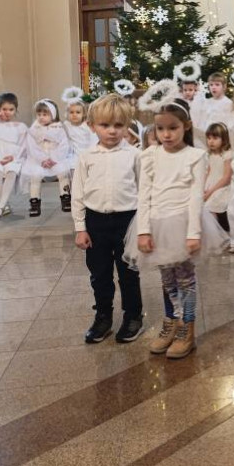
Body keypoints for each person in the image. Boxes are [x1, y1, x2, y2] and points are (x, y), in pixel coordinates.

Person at [126, 99, 206, 359]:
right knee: (166, 277)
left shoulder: (195, 156)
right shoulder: (149, 155)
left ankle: (187, 328)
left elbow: (196, 197)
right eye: (160, 129)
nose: (166, 134)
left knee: (185, 278)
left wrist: (193, 233)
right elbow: (144, 194)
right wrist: (143, 230)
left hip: (182, 222)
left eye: (172, 128)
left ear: (186, 126)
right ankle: (171, 322)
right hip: (157, 223)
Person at [72, 94, 144, 345]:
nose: (112, 131)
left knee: (128, 272)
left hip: (127, 221)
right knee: (100, 273)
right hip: (96, 222)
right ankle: (103, 316)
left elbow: (143, 191)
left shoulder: (135, 155)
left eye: (119, 125)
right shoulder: (86, 156)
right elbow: (78, 194)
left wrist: (143, 227)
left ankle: (133, 316)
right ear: (92, 126)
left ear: (127, 126)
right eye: (105, 125)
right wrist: (80, 228)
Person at [22, 99, 71, 217]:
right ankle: (35, 203)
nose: (41, 117)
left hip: (56, 159)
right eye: (39, 114)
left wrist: (54, 158)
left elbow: (64, 145)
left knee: (63, 173)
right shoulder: (34, 130)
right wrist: (42, 159)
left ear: (53, 115)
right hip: (40, 161)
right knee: (35, 176)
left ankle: (66, 198)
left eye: (45, 114)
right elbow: (31, 147)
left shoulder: (59, 129)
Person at [202, 122, 234, 252]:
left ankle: (220, 239)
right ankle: (210, 238)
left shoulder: (227, 155)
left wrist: (210, 191)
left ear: (224, 139)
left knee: (211, 206)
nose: (211, 142)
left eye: (215, 138)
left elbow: (226, 177)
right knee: (201, 206)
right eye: (209, 138)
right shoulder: (210, 154)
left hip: (222, 186)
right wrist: (202, 187)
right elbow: (208, 172)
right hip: (211, 184)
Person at [62, 98, 98, 182]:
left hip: (86, 152)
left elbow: (93, 139)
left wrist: (92, 153)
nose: (74, 115)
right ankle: (73, 192)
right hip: (73, 154)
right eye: (71, 112)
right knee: (73, 176)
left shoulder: (86, 126)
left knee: (86, 177)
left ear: (83, 114)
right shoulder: (66, 125)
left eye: (78, 112)